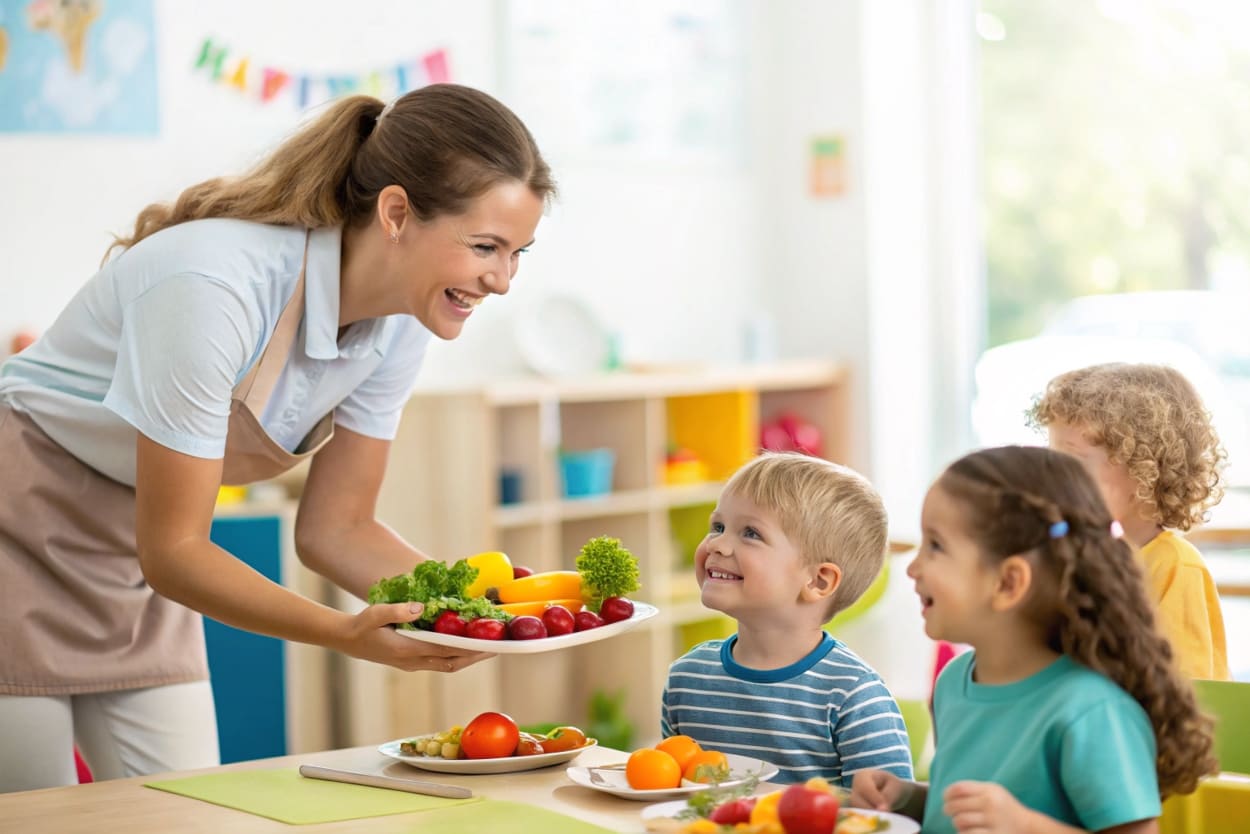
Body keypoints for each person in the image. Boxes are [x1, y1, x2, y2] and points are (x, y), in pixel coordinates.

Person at [0, 83, 554, 792]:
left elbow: (339, 528)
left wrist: (490, 606)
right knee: (36, 812)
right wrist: (344, 633)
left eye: (518, 254)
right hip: (23, 527)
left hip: (136, 558)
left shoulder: (399, 327)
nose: (503, 281)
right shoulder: (217, 282)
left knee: (187, 807)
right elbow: (177, 550)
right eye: (486, 246)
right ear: (395, 214)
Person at [851, 446, 1217, 834]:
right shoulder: (953, 683)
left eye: (936, 546)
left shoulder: (1089, 710)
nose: (912, 566)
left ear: (1009, 583)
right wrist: (908, 799)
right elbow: (964, 809)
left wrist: (1024, 825)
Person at [660, 452, 913, 787]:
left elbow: (887, 819)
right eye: (718, 526)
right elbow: (670, 793)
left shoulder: (854, 697)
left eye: (750, 533)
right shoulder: (686, 677)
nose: (718, 544)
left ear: (817, 581)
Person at [1028, 362, 1230, 680]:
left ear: (1145, 471)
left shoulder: (1175, 566)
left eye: (1073, 462)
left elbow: (1184, 690)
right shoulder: (1083, 555)